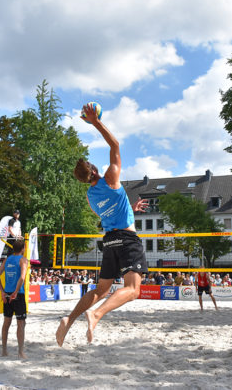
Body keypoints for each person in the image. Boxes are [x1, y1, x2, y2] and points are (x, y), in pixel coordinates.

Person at [56, 102, 149, 347]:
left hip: (109, 241)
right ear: (95, 169)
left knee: (100, 290)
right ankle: (96, 314)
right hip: (127, 240)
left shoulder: (90, 197)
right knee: (133, 289)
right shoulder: (110, 178)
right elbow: (115, 145)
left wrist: (132, 208)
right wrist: (95, 121)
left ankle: (69, 319)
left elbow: (112, 212)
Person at [0, 239, 29, 358]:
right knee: (21, 323)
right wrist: (15, 292)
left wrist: (3, 292)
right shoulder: (23, 260)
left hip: (7, 293)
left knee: (6, 323)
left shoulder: (7, 259)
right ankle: (20, 352)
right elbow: (22, 278)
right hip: (17, 294)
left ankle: (4, 350)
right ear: (23, 248)